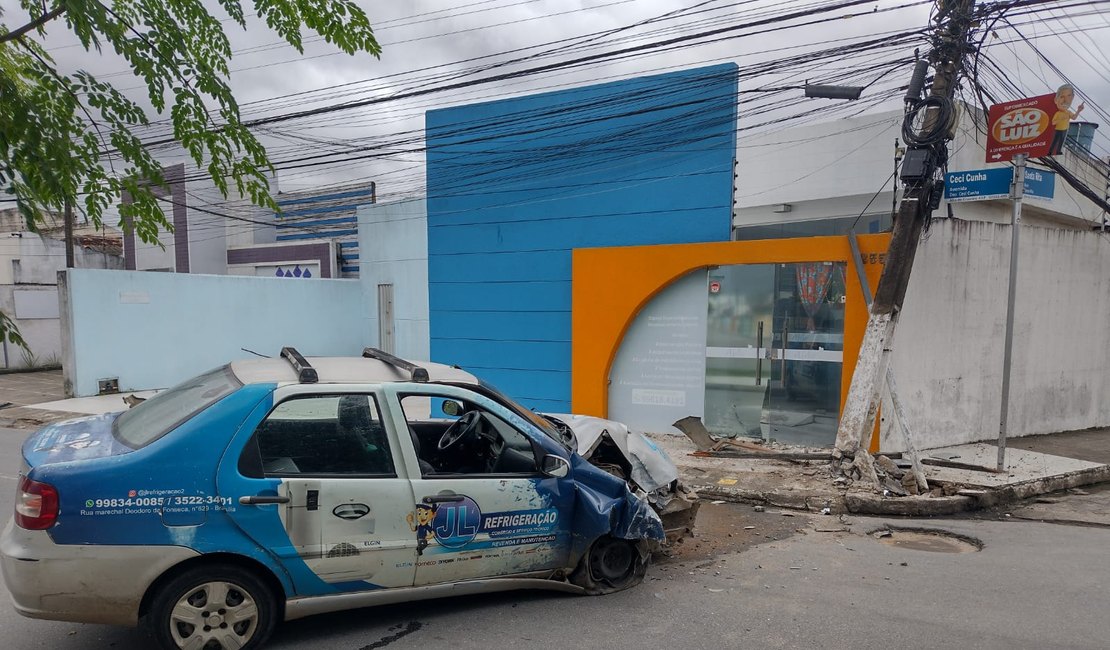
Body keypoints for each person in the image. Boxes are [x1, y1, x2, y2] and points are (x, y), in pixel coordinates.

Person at [1047, 84, 1085, 156]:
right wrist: (1060, 119)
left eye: (1069, 96)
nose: (1065, 100)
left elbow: (1074, 117)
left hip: (1064, 129)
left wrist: (1078, 110)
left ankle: (1058, 151)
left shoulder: (1068, 112)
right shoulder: (1058, 113)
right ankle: (1050, 151)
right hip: (1058, 129)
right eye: (1062, 97)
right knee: (1055, 140)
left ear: (1072, 98)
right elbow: (1053, 122)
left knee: (1061, 141)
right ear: (1056, 100)